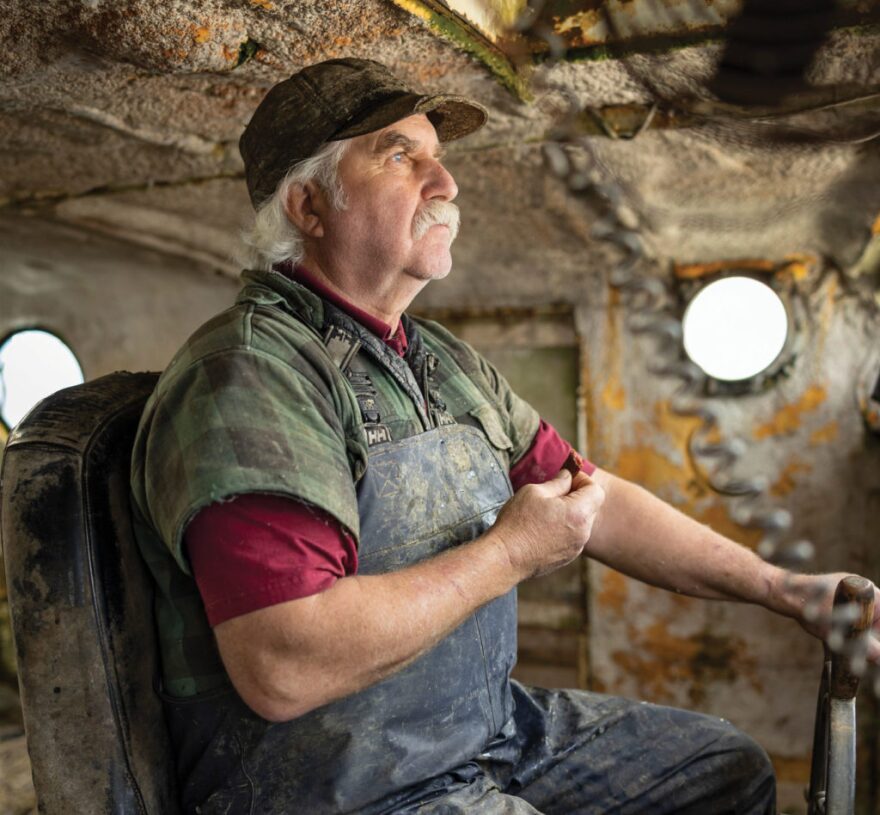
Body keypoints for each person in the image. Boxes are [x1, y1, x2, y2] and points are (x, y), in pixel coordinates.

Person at [130, 58, 878, 815]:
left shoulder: (439, 359)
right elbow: (282, 664)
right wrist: (508, 554)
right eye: (400, 155)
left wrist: (783, 589)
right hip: (335, 786)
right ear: (308, 204)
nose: (446, 183)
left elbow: (596, 499)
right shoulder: (250, 375)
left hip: (479, 731)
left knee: (725, 769)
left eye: (438, 157)